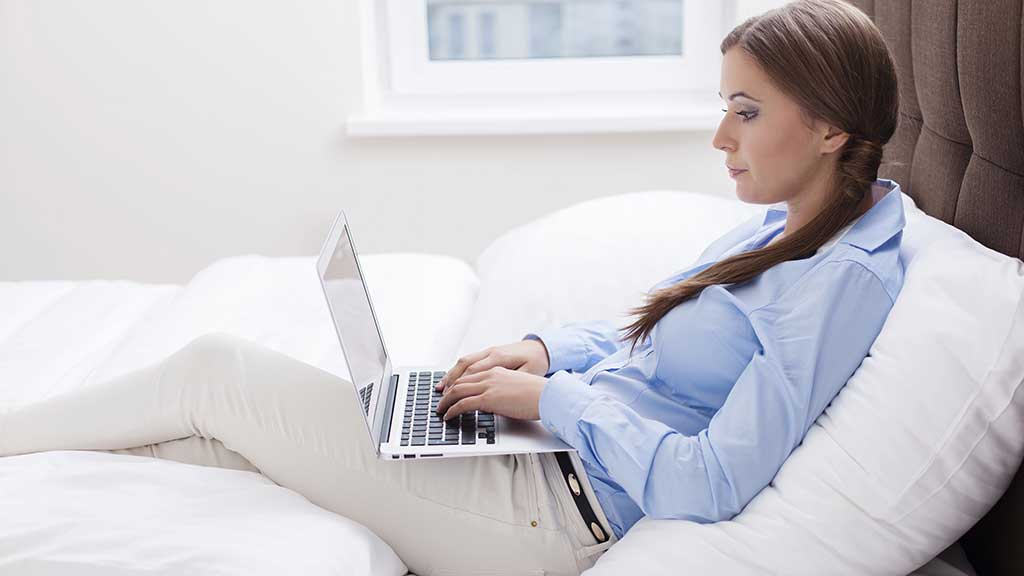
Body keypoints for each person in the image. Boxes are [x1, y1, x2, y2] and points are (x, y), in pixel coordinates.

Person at [0, 1, 905, 574]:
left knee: (214, 372)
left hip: (554, 515)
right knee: (216, 445)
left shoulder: (843, 281)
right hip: (539, 452)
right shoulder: (787, 222)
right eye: (722, 107)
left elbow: (712, 481)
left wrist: (555, 399)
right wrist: (549, 354)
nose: (721, 140)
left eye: (746, 112)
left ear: (829, 128)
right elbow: (658, 337)